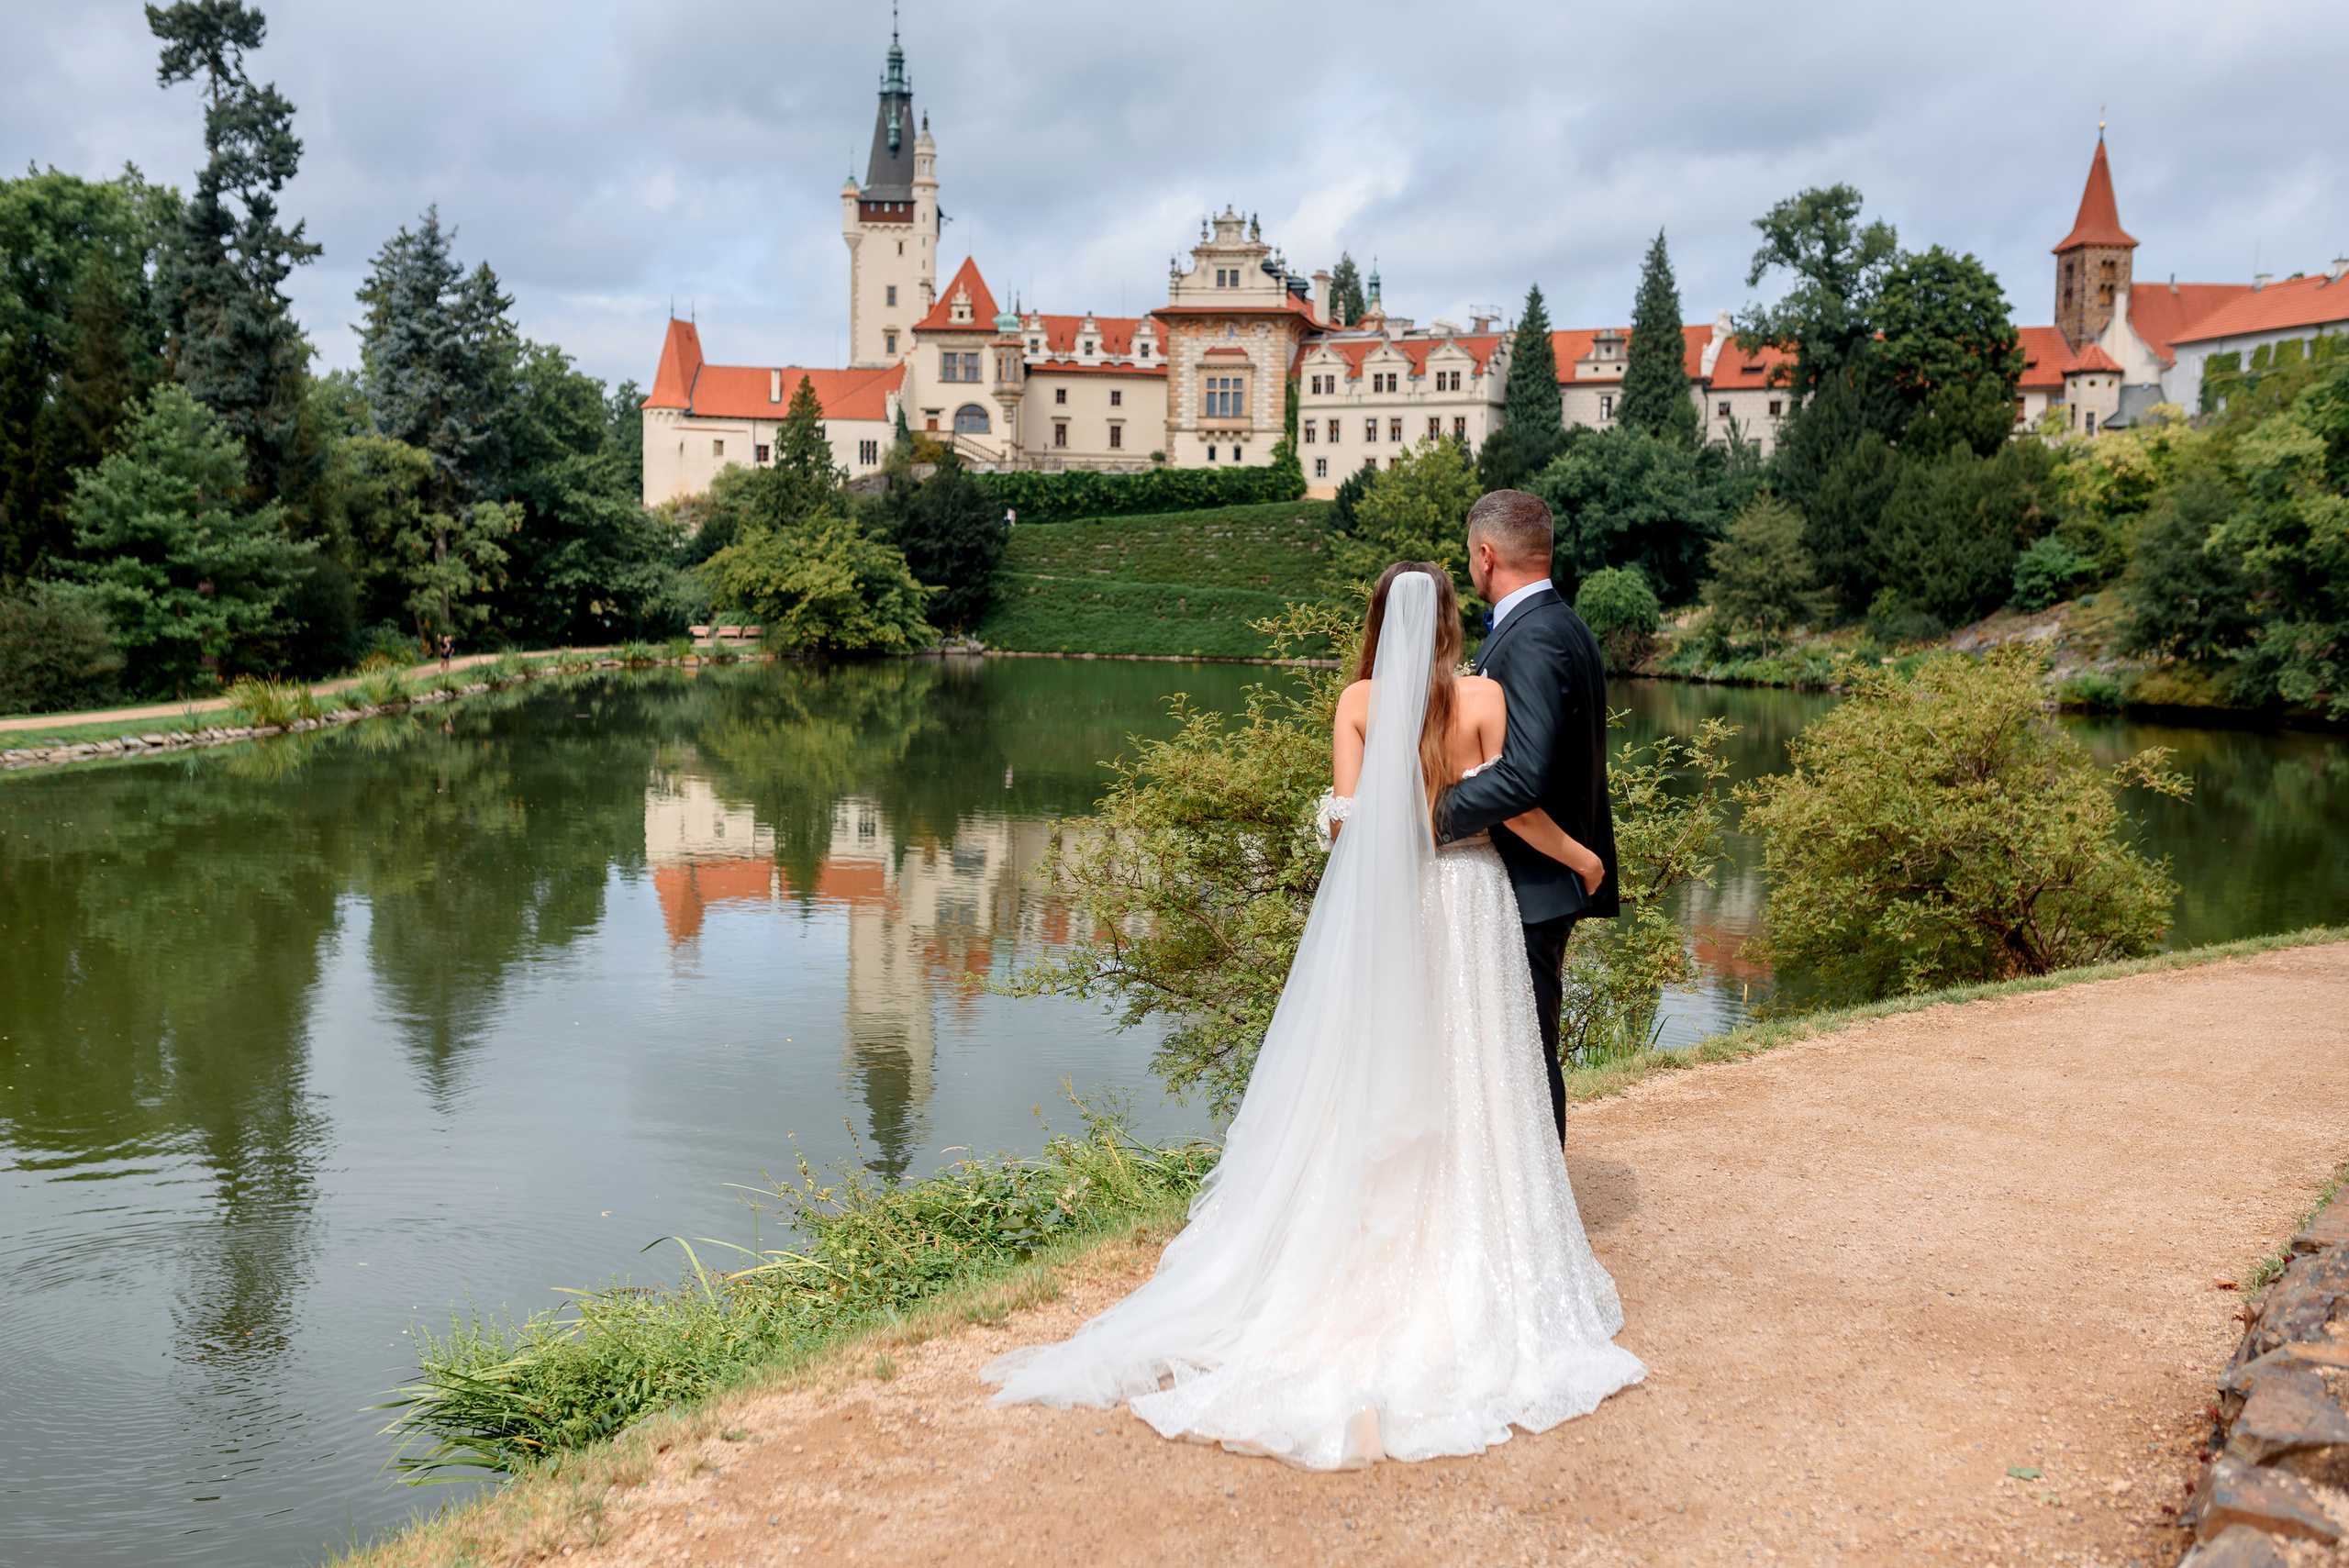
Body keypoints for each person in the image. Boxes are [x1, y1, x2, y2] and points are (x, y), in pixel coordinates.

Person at [984, 563, 1642, 1469]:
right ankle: (1473, 1240)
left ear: (1377, 621)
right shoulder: (1485, 694)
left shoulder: (1358, 700)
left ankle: (1365, 1237)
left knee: (1380, 1057)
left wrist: (1388, 812)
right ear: (1454, 622)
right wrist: (1579, 854)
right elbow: (1517, 807)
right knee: (1478, 1062)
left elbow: (1341, 821)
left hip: (1397, 900)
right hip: (1472, 897)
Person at [1437, 489, 1617, 1145]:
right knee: (1516, 1052)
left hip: (1532, 882)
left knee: (1528, 1059)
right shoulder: (1561, 622)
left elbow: (1524, 775)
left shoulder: (1535, 636)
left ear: (1486, 556)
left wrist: (1433, 816)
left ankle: (1544, 1222)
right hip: (1541, 877)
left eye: (1470, 558)